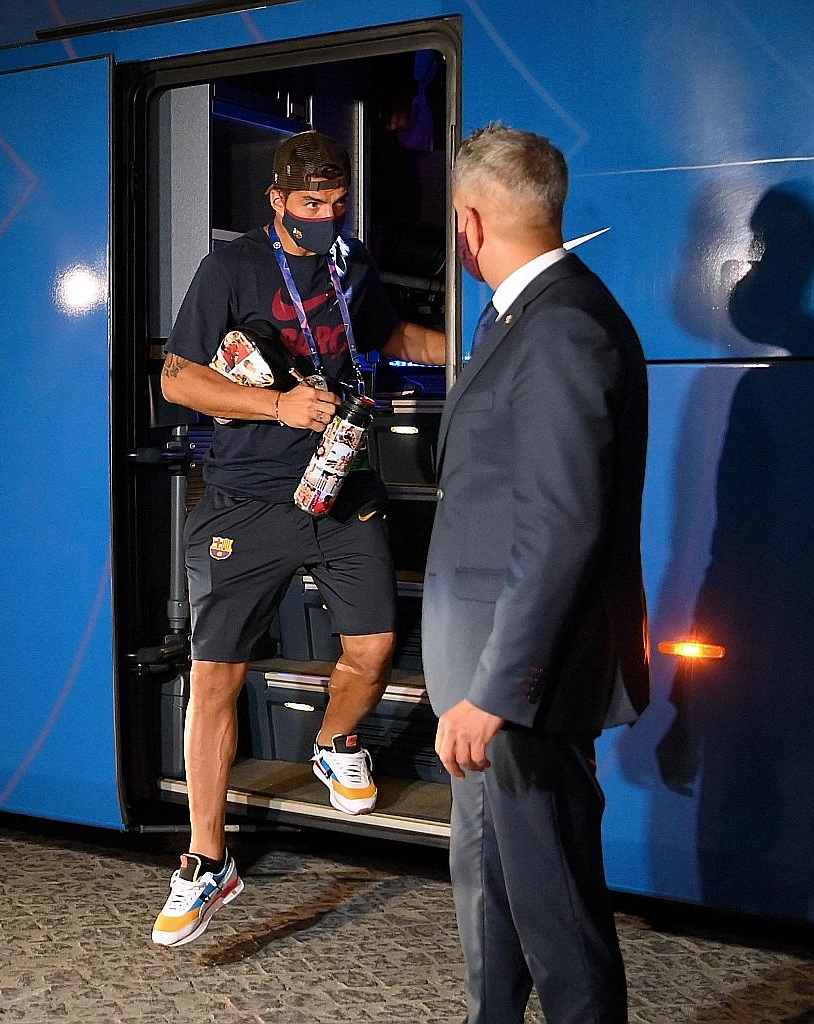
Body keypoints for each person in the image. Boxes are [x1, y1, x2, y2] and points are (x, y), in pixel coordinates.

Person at [152, 130, 445, 948]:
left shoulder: (351, 263)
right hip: (246, 501)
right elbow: (178, 376)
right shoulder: (233, 269)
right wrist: (279, 407)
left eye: (337, 204)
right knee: (215, 680)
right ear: (276, 201)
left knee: (375, 649)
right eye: (311, 205)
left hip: (345, 485)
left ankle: (333, 740)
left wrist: (475, 344)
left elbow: (390, 342)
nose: (326, 217)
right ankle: (208, 862)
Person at [424, 124, 649, 1022]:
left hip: (518, 685)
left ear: (470, 223)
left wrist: (499, 690)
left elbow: (561, 526)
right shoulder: (526, 315)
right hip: (485, 679)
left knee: (555, 915)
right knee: (488, 884)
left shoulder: (562, 327)